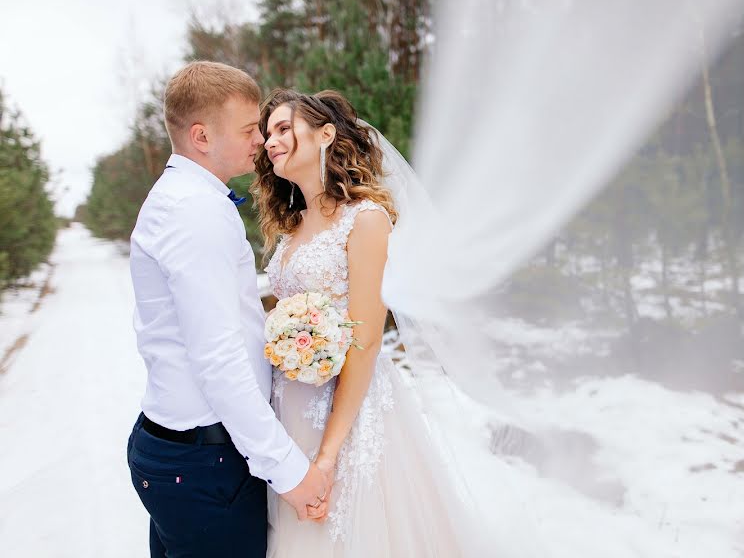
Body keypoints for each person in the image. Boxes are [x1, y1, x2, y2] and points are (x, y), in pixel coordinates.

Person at [255, 88, 484, 557]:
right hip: (289, 406)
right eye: (266, 134)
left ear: (325, 134)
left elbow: (365, 342)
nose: (270, 142)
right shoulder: (292, 224)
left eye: (282, 129)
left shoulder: (366, 219)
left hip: (350, 415)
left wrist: (327, 455)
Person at [127, 62, 328, 558]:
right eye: (246, 130)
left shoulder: (185, 199)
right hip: (204, 461)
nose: (260, 139)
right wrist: (289, 471)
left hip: (184, 453)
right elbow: (218, 359)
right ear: (200, 136)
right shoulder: (194, 212)